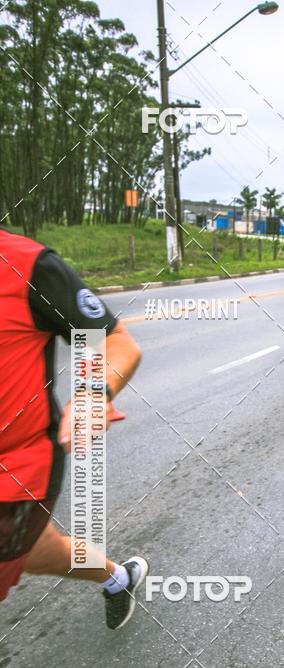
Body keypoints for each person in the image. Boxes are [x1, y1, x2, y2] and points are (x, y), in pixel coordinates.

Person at [0, 229, 148, 629]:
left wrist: (91, 392)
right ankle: (120, 579)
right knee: (37, 552)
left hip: (15, 472)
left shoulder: (29, 267)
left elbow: (115, 343)